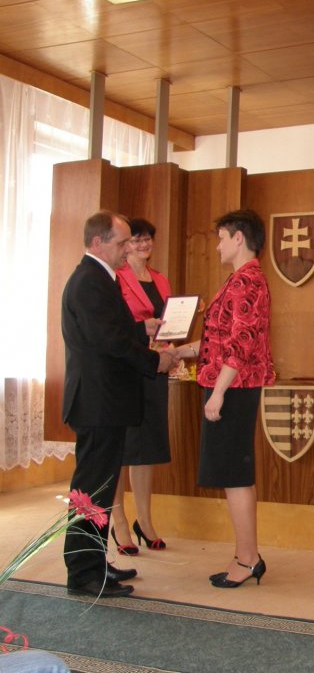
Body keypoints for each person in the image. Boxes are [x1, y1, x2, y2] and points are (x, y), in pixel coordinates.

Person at [61, 211, 174, 597]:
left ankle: (95, 563)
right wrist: (154, 360)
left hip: (105, 402)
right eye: (122, 242)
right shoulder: (89, 281)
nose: (129, 249)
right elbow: (108, 341)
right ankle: (83, 573)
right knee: (91, 490)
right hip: (97, 402)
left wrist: (141, 329)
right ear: (98, 243)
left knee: (101, 488)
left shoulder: (100, 278)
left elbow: (112, 331)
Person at [174, 209, 274, 588]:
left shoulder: (248, 281)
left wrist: (217, 393)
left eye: (220, 238)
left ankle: (248, 559)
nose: (217, 246)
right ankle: (246, 555)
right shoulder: (240, 279)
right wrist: (179, 352)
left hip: (234, 389)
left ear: (238, 238)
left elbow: (241, 344)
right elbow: (218, 340)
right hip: (231, 386)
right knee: (236, 475)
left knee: (235, 476)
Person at [110, 218, 173, 556]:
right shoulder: (116, 277)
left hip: (154, 367)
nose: (143, 244)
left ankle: (144, 521)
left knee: (147, 446)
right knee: (122, 447)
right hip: (126, 368)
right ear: (125, 244)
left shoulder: (161, 279)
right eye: (136, 239)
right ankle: (119, 520)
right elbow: (115, 326)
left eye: (148, 238)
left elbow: (170, 321)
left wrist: (171, 343)